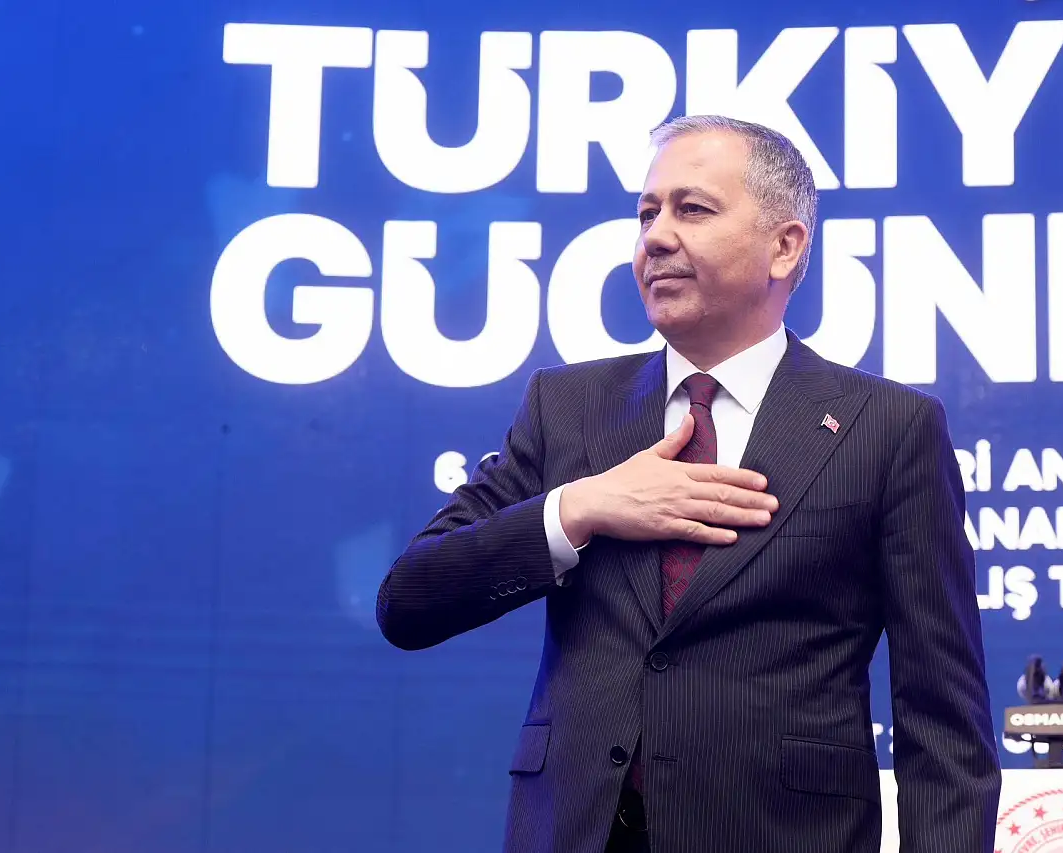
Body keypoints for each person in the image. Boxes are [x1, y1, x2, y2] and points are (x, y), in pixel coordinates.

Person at [377, 115, 1001, 853]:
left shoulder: (888, 427)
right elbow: (408, 603)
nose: (656, 237)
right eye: (647, 214)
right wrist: (581, 507)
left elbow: (943, 722)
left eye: (692, 209)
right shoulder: (567, 408)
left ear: (784, 246)